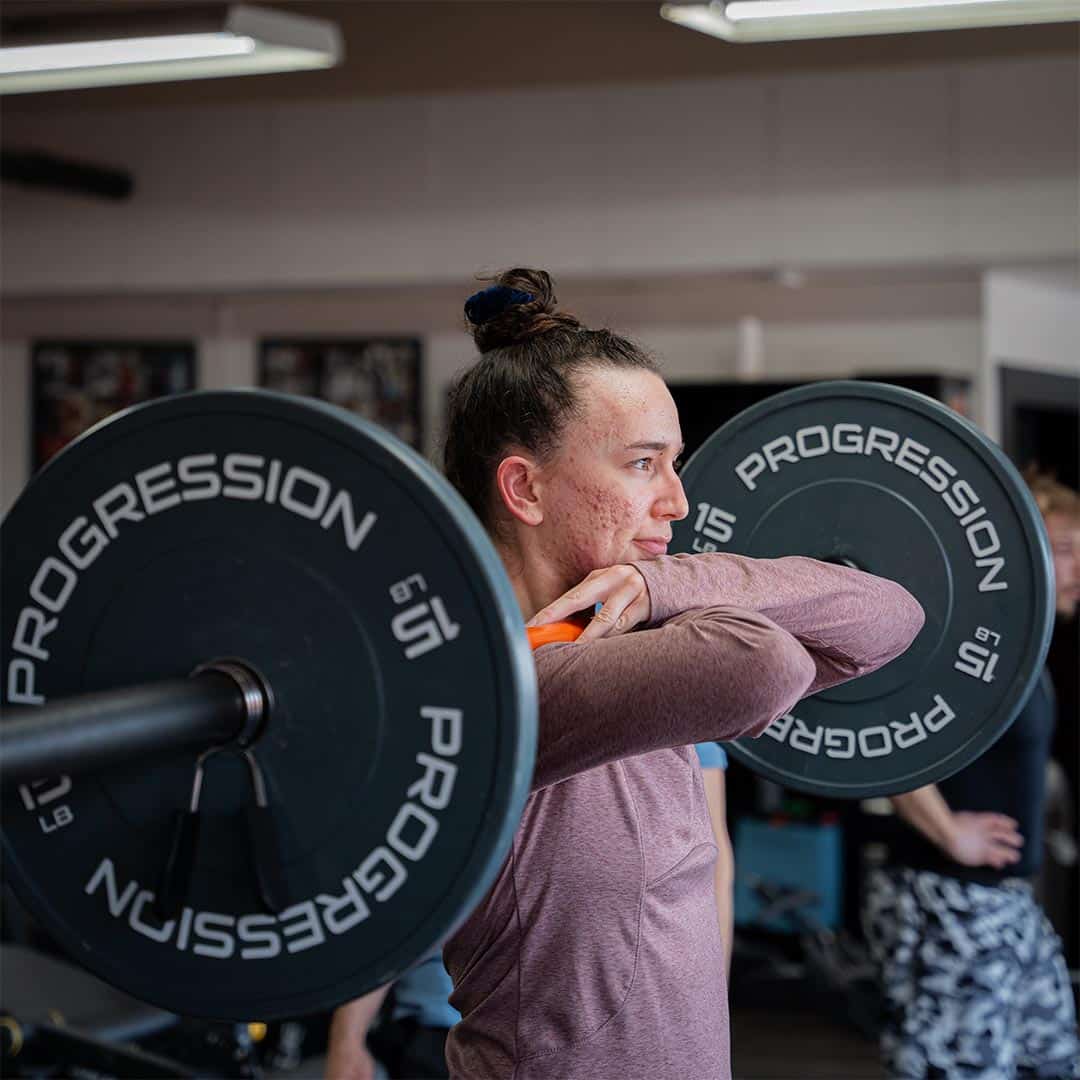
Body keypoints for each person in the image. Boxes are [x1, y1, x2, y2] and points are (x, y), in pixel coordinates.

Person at [432, 267, 923, 1080]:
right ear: (524, 488)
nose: (678, 501)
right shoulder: (508, 687)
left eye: (675, 463)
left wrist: (666, 583)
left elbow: (892, 617)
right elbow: (758, 664)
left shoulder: (632, 642)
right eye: (642, 464)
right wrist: (673, 592)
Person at [863, 469, 1080, 1080]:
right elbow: (878, 749)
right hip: (948, 897)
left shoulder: (1020, 648)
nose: (1076, 568)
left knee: (1052, 1060)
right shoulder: (962, 643)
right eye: (1063, 550)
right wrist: (949, 832)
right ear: (1025, 552)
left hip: (1005, 904)